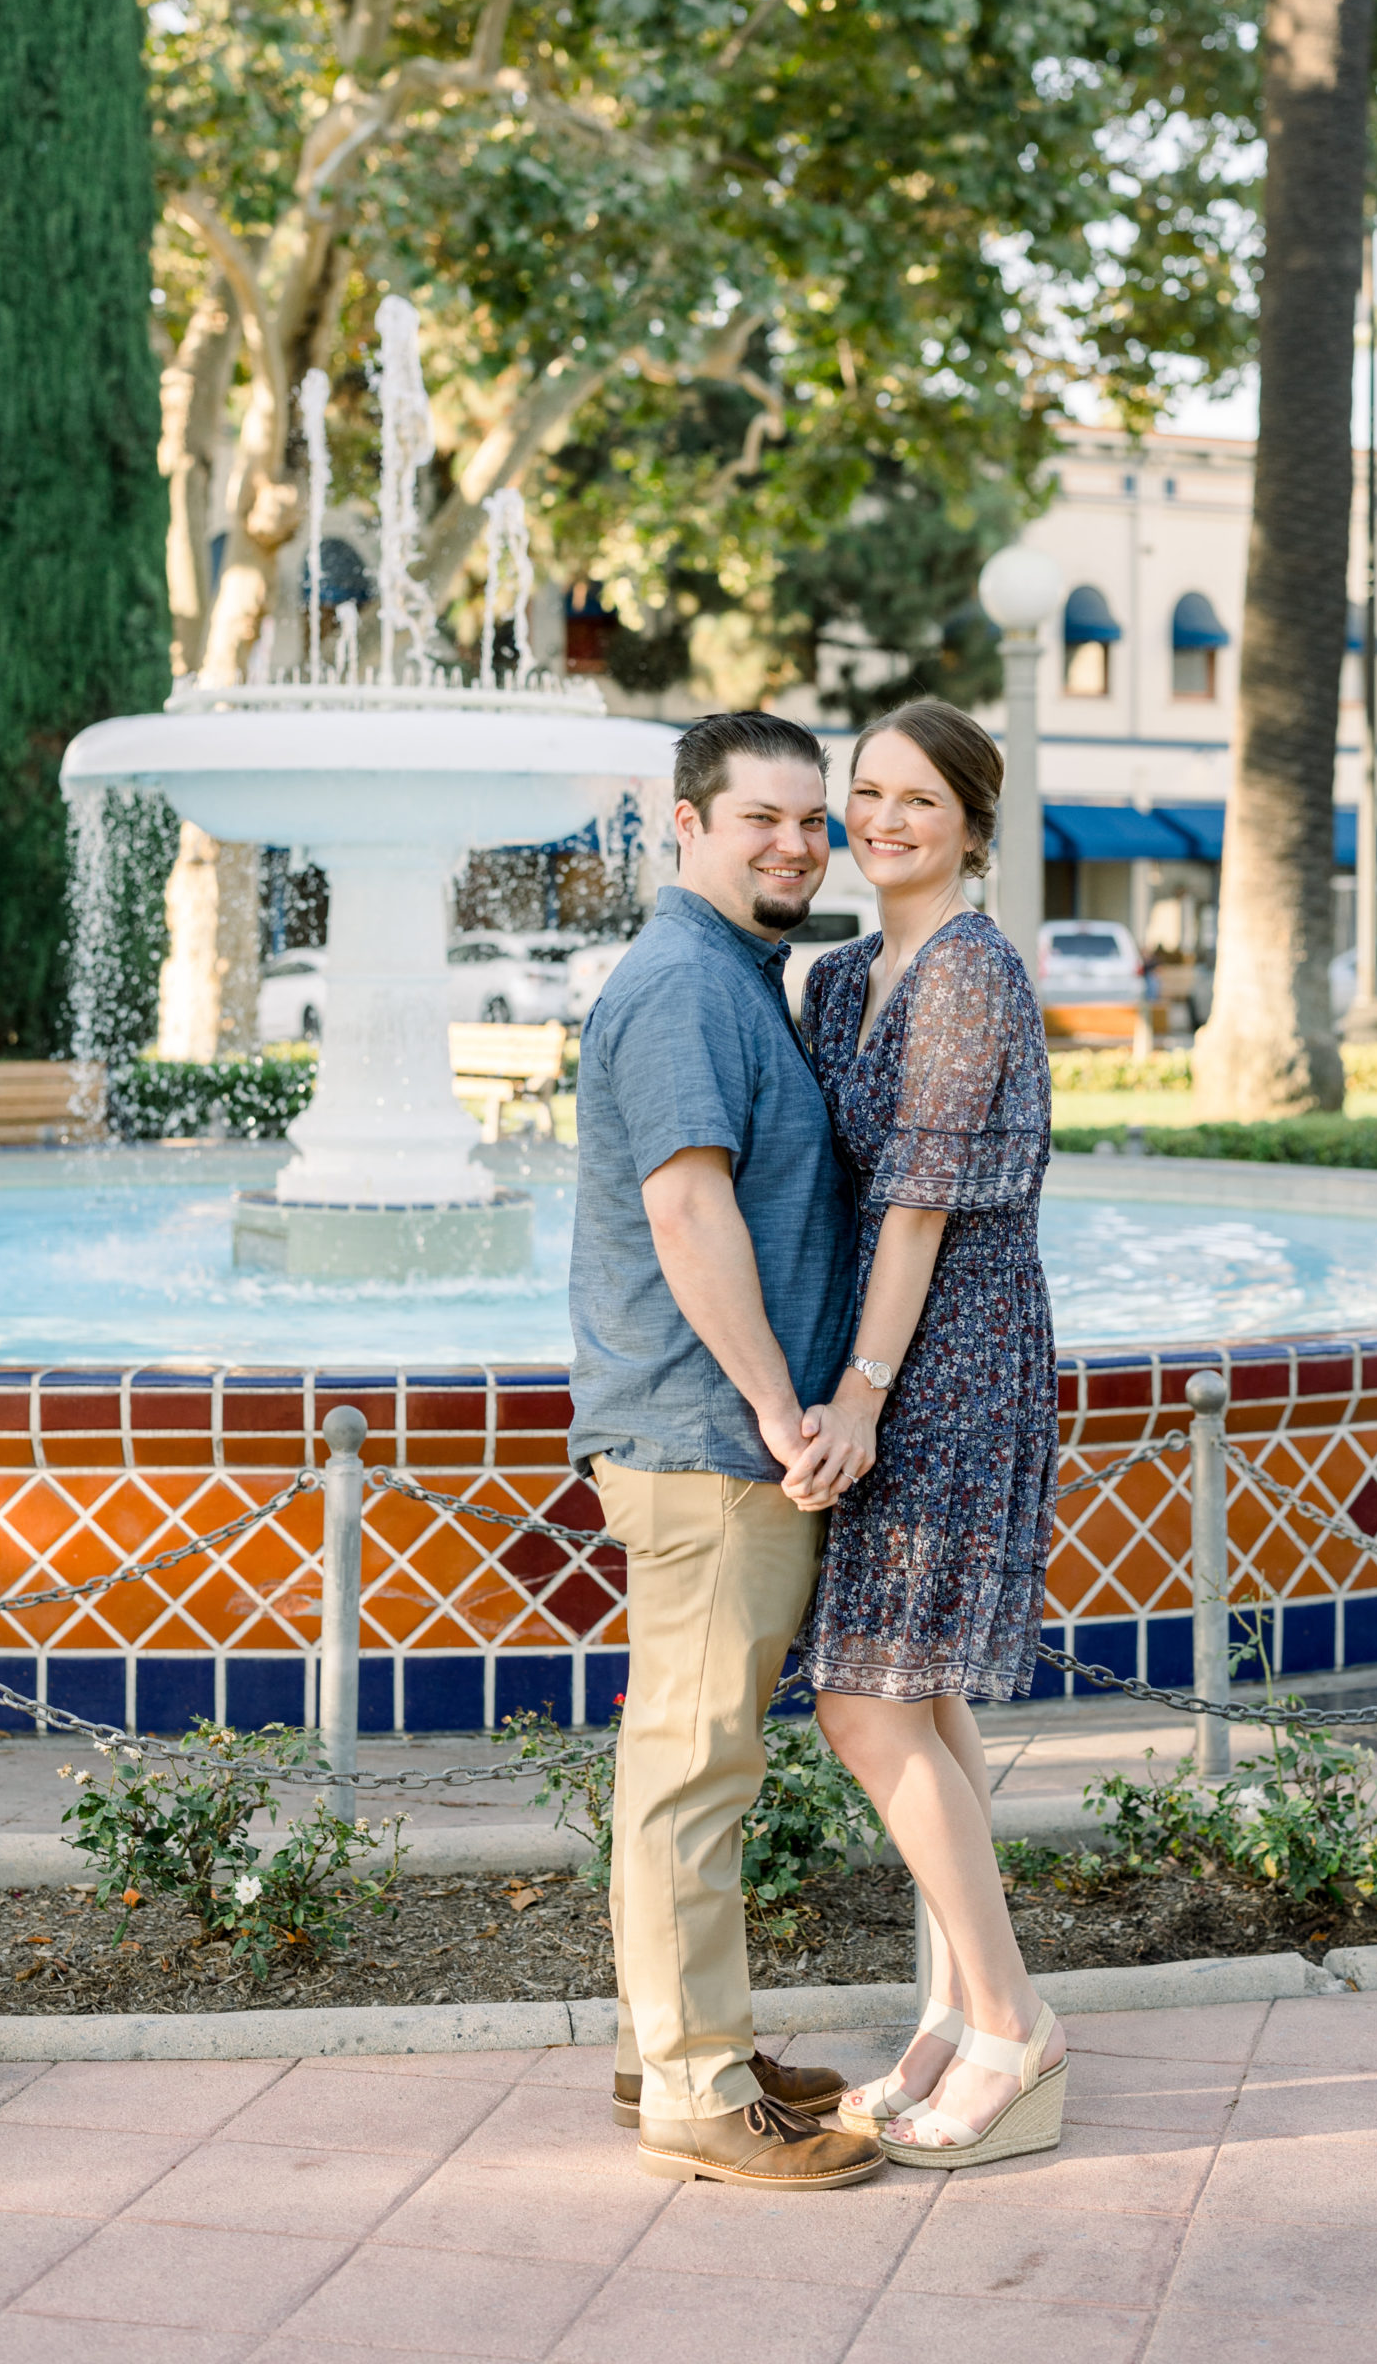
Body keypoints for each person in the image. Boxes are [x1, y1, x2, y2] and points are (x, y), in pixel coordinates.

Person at [566, 710, 883, 2193]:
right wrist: (778, 1410)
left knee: (687, 1760)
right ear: (684, 821)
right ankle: (695, 2090)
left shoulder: (738, 979)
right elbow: (688, 1215)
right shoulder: (688, 987)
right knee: (697, 1767)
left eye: (812, 820)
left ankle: (669, 2040)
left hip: (710, 1437)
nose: (798, 844)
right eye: (763, 816)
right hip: (710, 1443)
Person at [788, 698, 1067, 2170]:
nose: (885, 819)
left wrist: (863, 1392)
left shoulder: (970, 974)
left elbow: (917, 1204)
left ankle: (1014, 2026)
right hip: (879, 1354)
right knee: (926, 1691)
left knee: (865, 1698)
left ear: (971, 820)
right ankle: (964, 2010)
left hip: (949, 1357)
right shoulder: (840, 980)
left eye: (919, 799)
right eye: (868, 793)